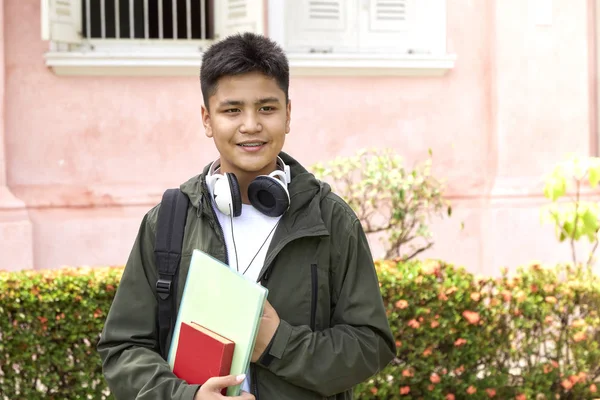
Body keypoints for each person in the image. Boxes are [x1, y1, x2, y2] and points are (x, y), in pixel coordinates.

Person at [97, 32, 396, 400]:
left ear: (288, 114)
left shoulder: (332, 221)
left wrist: (277, 343)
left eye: (267, 108)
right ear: (207, 119)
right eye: (232, 109)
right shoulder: (169, 220)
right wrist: (185, 397)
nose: (251, 124)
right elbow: (123, 349)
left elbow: (370, 345)